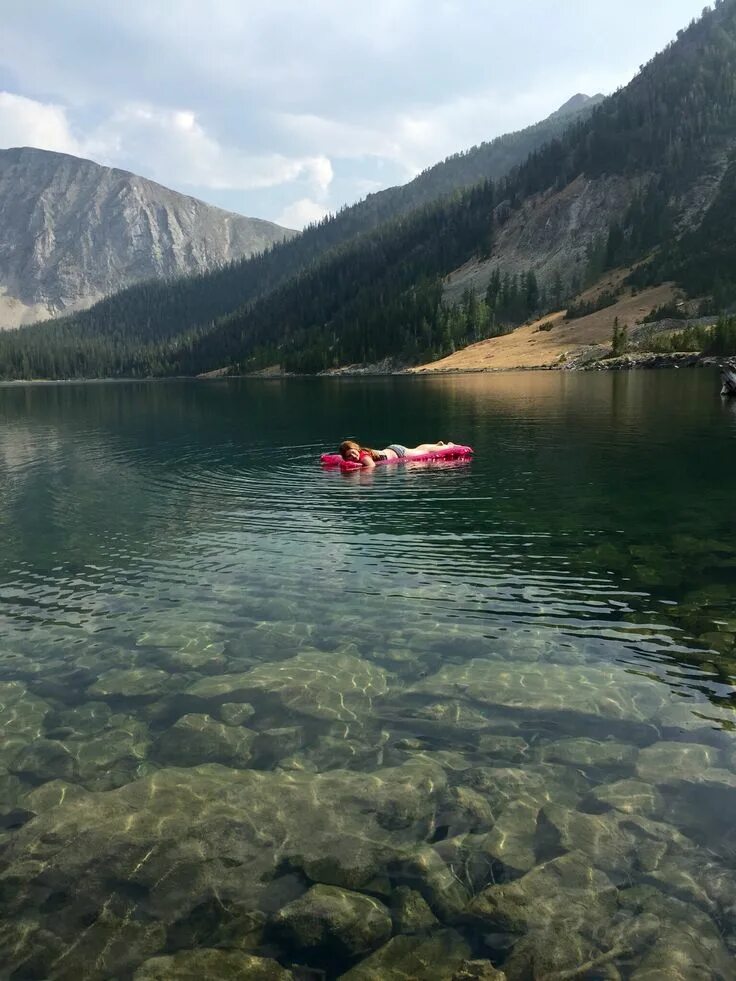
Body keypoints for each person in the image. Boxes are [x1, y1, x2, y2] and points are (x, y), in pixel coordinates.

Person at [339, 439, 455, 468]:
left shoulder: (364, 456)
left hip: (399, 453)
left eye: (353, 452)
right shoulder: (360, 454)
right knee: (418, 449)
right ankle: (438, 445)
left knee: (423, 452)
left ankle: (450, 446)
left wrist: (356, 470)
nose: (353, 456)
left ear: (357, 449)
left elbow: (371, 466)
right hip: (392, 450)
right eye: (349, 455)